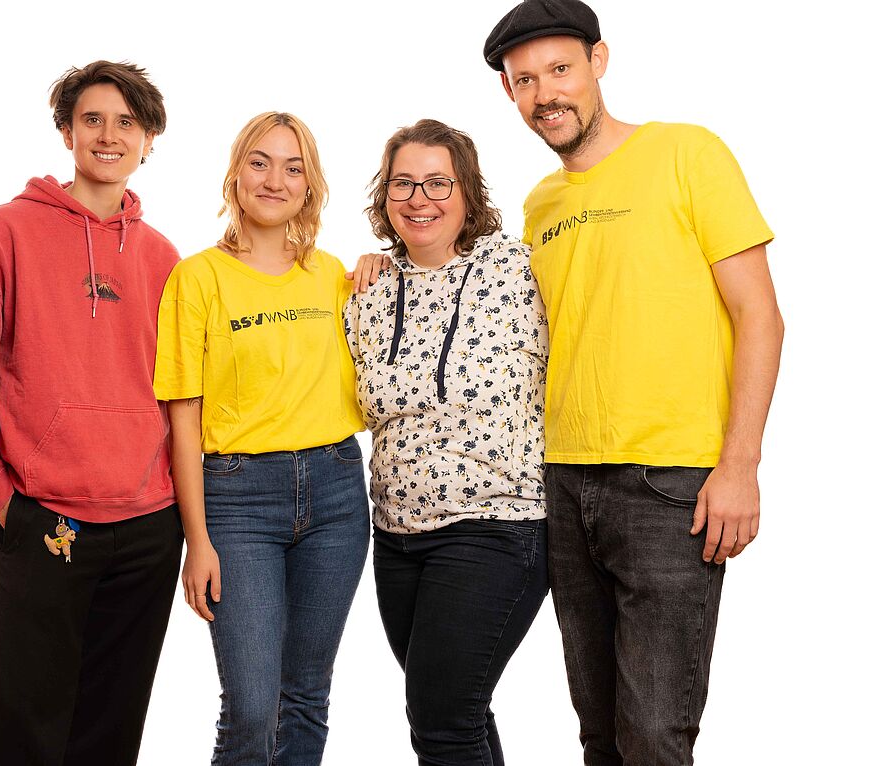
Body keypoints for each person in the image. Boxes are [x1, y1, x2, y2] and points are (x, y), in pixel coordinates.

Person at [482, 1, 785, 763]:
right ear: (511, 96)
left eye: (560, 69)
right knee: (600, 734)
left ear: (599, 62)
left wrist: (740, 464)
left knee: (654, 734)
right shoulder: (539, 205)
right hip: (563, 481)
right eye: (525, 81)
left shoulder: (687, 152)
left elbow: (760, 316)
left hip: (670, 485)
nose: (545, 92)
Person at [0, 60, 184, 766]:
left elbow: (182, 395)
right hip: (44, 520)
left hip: (146, 528)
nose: (110, 136)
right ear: (68, 132)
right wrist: (2, 498)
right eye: (93, 119)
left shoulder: (164, 258)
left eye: (127, 122)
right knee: (24, 732)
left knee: (110, 733)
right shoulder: (5, 233)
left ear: (150, 139)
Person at [154, 112, 370, 765]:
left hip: (335, 494)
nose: (275, 179)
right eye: (260, 161)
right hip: (237, 502)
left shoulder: (332, 275)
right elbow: (182, 421)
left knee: (305, 696)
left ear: (311, 185)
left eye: (293, 166)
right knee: (251, 707)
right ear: (235, 174)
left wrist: (377, 267)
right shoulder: (198, 280)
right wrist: (198, 541)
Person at [346, 118, 549, 766]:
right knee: (453, 710)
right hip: (398, 537)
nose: (419, 198)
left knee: (441, 716)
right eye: (403, 183)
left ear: (468, 193)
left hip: (496, 525)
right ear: (385, 196)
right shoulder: (368, 290)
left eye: (438, 182)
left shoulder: (519, 268)